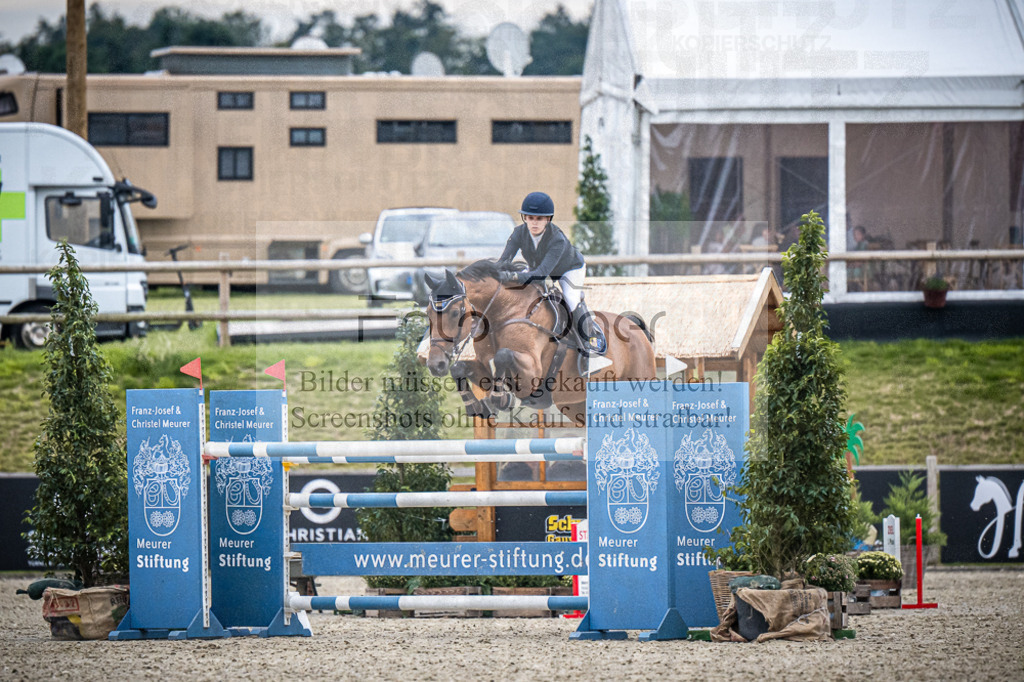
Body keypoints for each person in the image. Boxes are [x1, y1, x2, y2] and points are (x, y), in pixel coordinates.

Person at [497, 191, 607, 355]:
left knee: (570, 299)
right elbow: (503, 262)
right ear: (525, 218)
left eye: (539, 219)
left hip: (568, 270)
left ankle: (589, 337)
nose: (534, 223)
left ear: (548, 219)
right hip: (539, 268)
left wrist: (513, 276)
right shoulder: (518, 233)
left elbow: (541, 275)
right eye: (530, 218)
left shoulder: (557, 239)